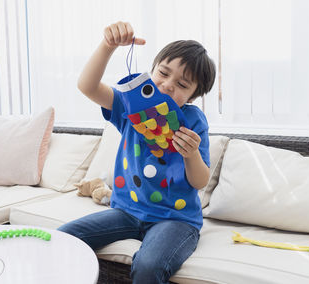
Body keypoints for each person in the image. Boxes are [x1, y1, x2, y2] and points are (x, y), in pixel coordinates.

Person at [58, 21, 216, 283]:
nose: (167, 85)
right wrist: (108, 46)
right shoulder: (131, 106)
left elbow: (200, 181)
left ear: (192, 96)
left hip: (176, 219)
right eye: (163, 73)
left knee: (148, 265)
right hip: (127, 211)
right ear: (151, 70)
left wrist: (191, 154)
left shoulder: (193, 121)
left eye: (182, 84)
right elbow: (87, 86)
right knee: (63, 237)